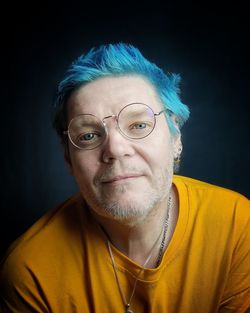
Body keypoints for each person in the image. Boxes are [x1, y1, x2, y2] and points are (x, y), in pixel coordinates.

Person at [0, 43, 249, 313]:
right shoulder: (31, 270)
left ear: (176, 137)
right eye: (88, 135)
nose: (116, 150)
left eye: (139, 125)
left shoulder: (238, 227)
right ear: (68, 159)